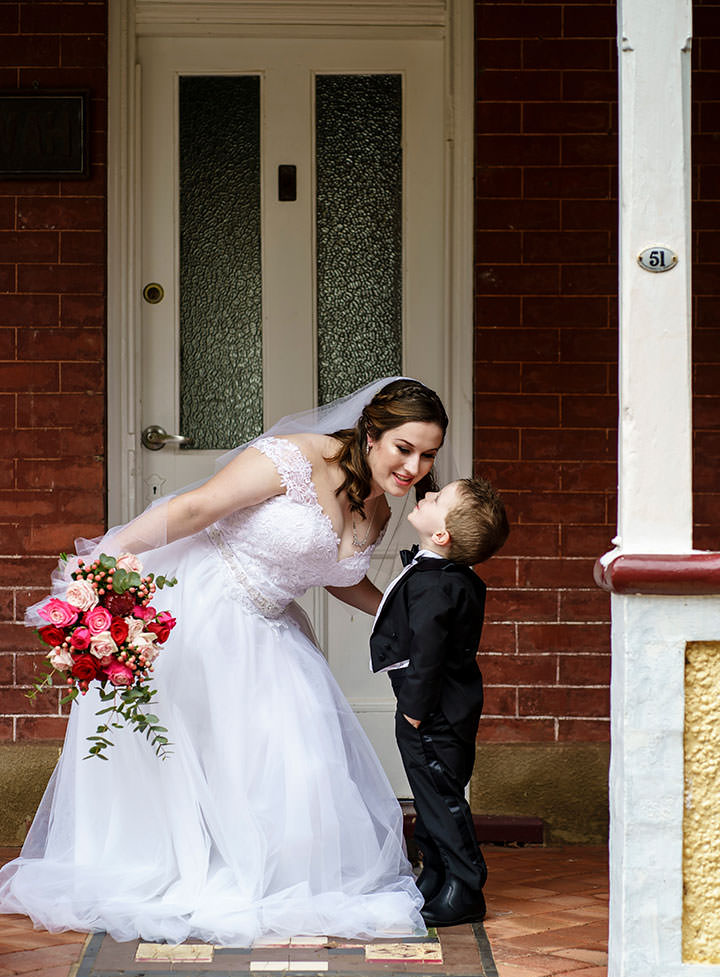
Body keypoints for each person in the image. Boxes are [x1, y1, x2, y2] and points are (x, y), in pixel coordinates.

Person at [0, 377, 451, 946]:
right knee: (195, 750)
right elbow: (197, 507)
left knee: (296, 757)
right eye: (403, 448)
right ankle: (179, 868)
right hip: (201, 608)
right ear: (370, 433)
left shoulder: (379, 509)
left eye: (427, 454)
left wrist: (394, 610)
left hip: (271, 628)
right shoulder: (292, 458)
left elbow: (333, 574)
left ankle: (265, 876)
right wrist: (112, 558)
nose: (413, 466)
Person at [369, 477, 509, 927]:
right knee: (431, 796)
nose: (425, 497)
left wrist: (413, 708)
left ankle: (466, 886)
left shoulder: (438, 585)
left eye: (435, 499)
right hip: (442, 708)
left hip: (430, 712)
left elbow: (429, 653)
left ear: (442, 535)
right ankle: (437, 874)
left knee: (443, 797)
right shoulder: (447, 574)